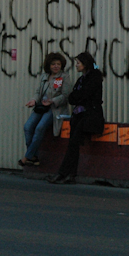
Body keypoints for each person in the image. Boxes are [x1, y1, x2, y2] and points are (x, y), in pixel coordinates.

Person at [48, 52, 104, 185]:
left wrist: (78, 96)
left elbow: (83, 95)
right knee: (73, 145)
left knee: (73, 144)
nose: (76, 66)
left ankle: (63, 174)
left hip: (89, 116)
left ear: (85, 63)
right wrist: (78, 96)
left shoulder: (94, 77)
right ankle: (69, 174)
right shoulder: (82, 79)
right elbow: (72, 98)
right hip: (79, 117)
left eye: (78, 63)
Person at [19, 52, 70, 167]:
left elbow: (66, 95)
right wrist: (34, 100)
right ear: (48, 65)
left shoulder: (64, 77)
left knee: (40, 127)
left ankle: (27, 157)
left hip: (55, 109)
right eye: (53, 64)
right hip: (41, 108)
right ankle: (33, 156)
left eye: (58, 64)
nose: (56, 66)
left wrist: (52, 101)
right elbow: (38, 92)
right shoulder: (44, 76)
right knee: (28, 127)